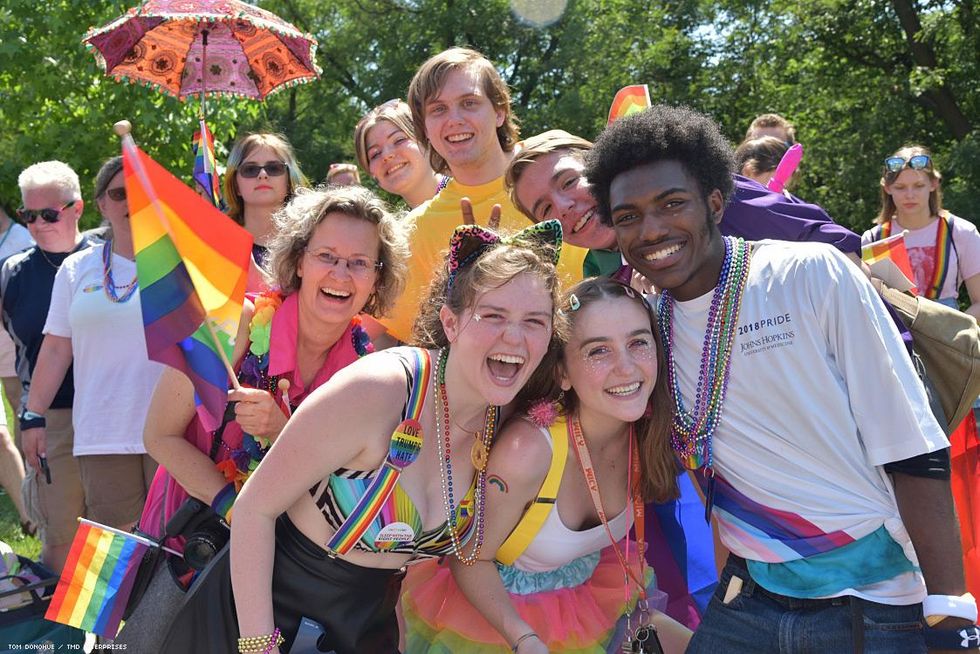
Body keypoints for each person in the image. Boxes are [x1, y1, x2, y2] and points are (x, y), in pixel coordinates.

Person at [585, 104, 975, 652]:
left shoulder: (808, 273)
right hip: (750, 599)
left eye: (672, 204)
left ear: (716, 204)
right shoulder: (648, 330)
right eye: (628, 216)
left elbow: (911, 441)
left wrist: (952, 609)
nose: (652, 229)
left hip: (874, 600)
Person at [158, 221, 564, 654]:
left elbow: (409, 571)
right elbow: (256, 508)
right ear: (450, 321)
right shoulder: (380, 389)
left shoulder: (500, 418)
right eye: (494, 315)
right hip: (260, 618)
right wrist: (259, 645)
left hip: (365, 632)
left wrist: (523, 638)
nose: (514, 337)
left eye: (534, 321)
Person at [116, 186, 409, 649]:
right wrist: (234, 508)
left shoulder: (367, 370)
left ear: (377, 278)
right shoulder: (234, 326)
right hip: (188, 542)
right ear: (297, 261)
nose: (341, 274)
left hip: (283, 570)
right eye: (326, 256)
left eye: (359, 263)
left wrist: (283, 431)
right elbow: (159, 436)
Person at [401, 277, 694, 653]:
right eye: (598, 351)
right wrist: (523, 639)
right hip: (496, 618)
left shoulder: (654, 430)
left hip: (593, 600)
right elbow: (468, 558)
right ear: (563, 373)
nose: (626, 368)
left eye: (638, 342)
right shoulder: (529, 451)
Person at [378, 47, 587, 342]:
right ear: (424, 127)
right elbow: (406, 341)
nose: (454, 119)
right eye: (438, 109)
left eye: (469, 102)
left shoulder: (560, 168)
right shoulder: (415, 232)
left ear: (499, 110)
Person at [23, 157, 163, 544]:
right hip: (103, 431)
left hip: (172, 430)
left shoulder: (182, 261)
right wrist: (32, 416)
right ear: (101, 203)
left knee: (175, 545)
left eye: (141, 192)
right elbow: (54, 350)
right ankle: (127, 610)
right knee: (118, 549)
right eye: (119, 194)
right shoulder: (75, 269)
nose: (130, 203)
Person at [1, 161, 97, 573]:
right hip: (49, 421)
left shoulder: (105, 263)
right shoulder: (13, 273)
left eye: (49, 214)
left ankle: (110, 635)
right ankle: (57, 638)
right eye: (28, 215)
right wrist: (29, 416)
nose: (37, 224)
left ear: (77, 209)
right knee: (60, 537)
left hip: (108, 414)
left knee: (112, 533)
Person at [862, 145, 980, 320]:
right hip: (893, 336)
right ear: (887, 188)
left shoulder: (961, 232)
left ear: (933, 184)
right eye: (900, 187)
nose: (910, 195)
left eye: (918, 186)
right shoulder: (872, 238)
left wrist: (954, 330)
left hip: (946, 337)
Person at [224, 133, 309, 269]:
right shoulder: (219, 245)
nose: (262, 175)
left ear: (289, 180)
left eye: (274, 168)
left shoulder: (309, 245)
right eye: (250, 169)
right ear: (235, 185)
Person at [354, 99, 446, 208]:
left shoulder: (469, 192)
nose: (386, 155)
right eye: (375, 154)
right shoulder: (402, 225)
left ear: (426, 139)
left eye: (398, 140)